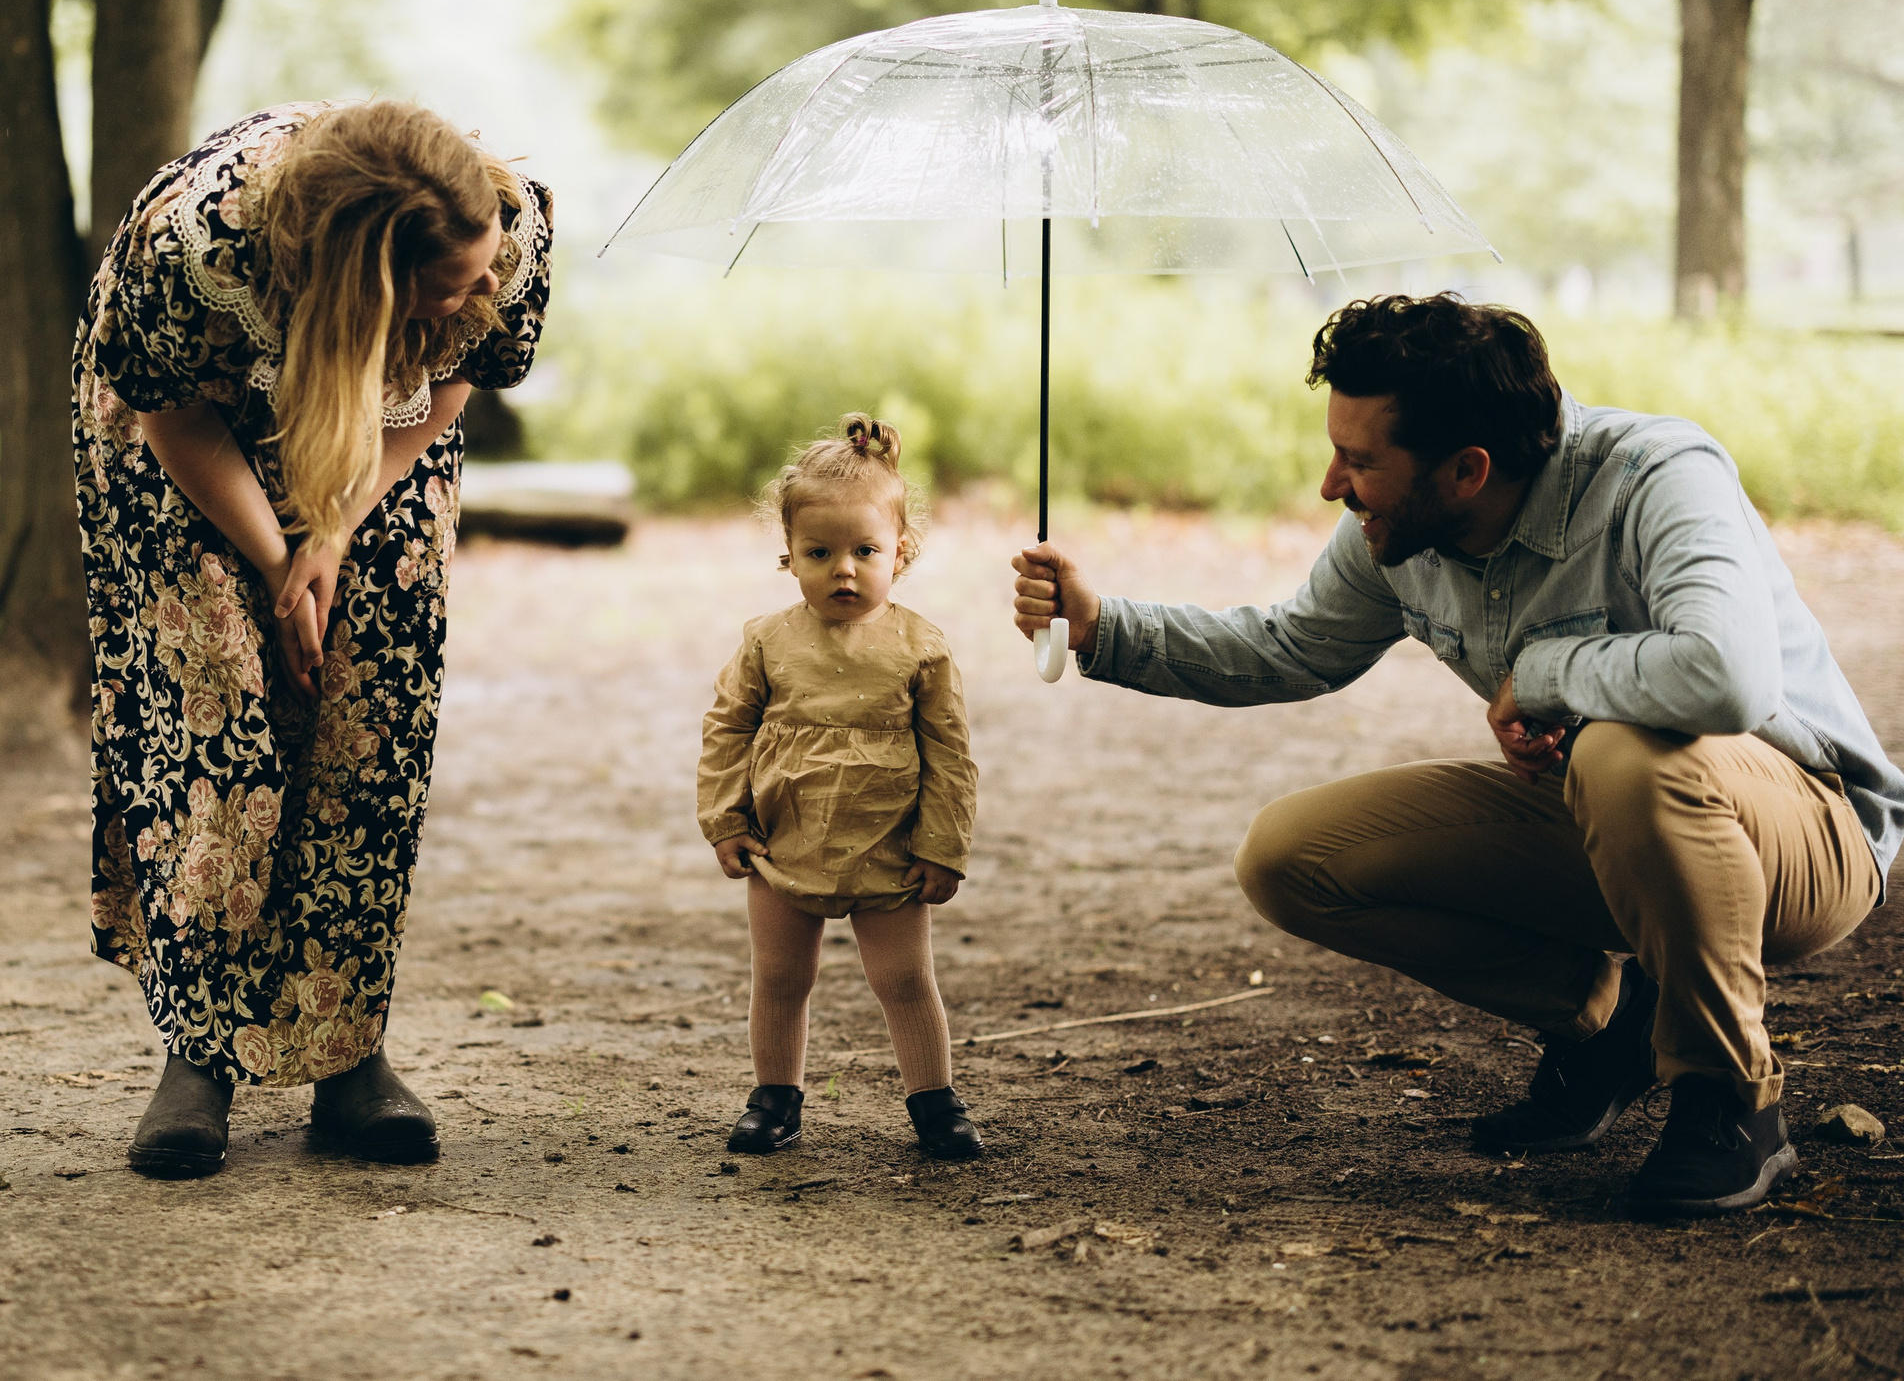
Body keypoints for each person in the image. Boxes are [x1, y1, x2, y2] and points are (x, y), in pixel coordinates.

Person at [1010, 293, 1901, 1217]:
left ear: (1467, 468)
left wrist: (1549, 670)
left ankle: (1731, 1093)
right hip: (1613, 829)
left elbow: (1728, 677)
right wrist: (1101, 626)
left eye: (1359, 460)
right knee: (1291, 858)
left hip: (1808, 829)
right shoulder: (1398, 531)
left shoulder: (1657, 475)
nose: (1331, 483)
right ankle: (1610, 1022)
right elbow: (1288, 645)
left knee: (1623, 756)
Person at [73, 99, 552, 1177]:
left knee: (369, 715)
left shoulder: (505, 230)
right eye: (454, 281)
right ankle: (199, 1056)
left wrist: (332, 531)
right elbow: (168, 414)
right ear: (366, 287)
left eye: (484, 268)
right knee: (216, 719)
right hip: (181, 430)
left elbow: (462, 363)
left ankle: (350, 1056)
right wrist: (274, 554)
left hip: (384, 429)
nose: (484, 287)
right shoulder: (192, 249)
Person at [700, 414, 984, 1160]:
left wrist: (943, 845)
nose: (845, 570)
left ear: (902, 551)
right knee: (782, 974)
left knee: (903, 978)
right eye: (820, 553)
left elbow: (950, 753)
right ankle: (775, 1097)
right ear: (789, 556)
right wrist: (725, 818)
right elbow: (728, 727)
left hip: (887, 845)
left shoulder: (921, 646)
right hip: (783, 838)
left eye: (865, 550)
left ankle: (933, 1099)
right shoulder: (767, 640)